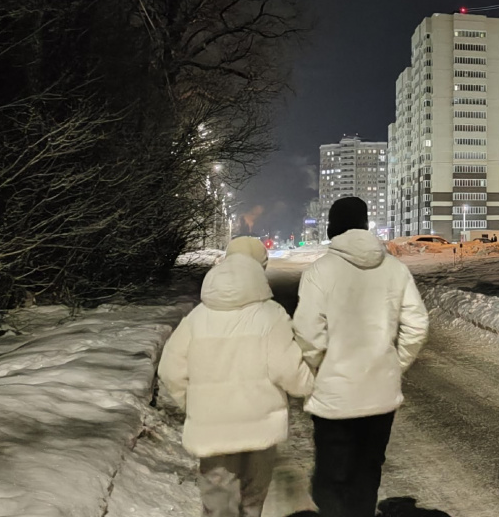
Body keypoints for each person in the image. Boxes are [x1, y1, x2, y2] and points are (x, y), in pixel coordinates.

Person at [158, 236, 314, 517]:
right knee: (252, 502)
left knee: (218, 505)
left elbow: (170, 371)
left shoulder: (196, 318)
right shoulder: (271, 315)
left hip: (213, 430)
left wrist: (193, 406)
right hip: (260, 430)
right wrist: (310, 384)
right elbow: (289, 370)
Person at [294, 197, 430, 517]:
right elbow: (417, 324)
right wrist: (395, 364)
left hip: (334, 396)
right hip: (379, 395)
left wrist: (321, 365)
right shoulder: (395, 269)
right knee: (367, 475)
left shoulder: (319, 271)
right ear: (365, 224)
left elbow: (307, 332)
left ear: (333, 227)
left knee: (331, 479)